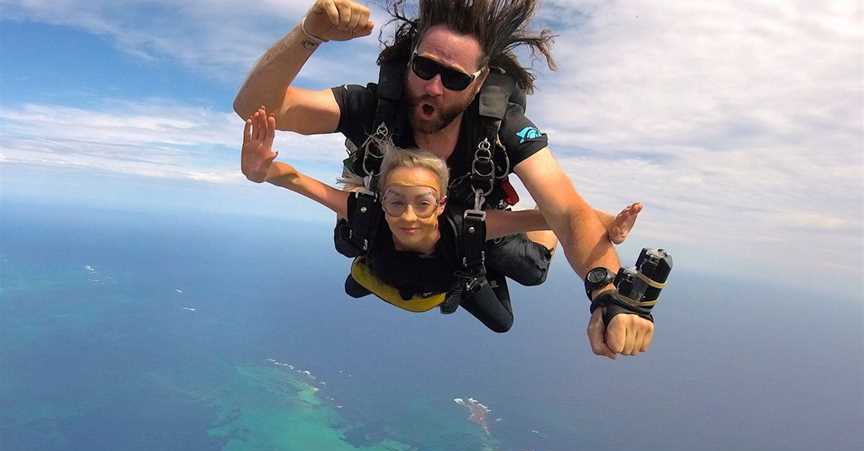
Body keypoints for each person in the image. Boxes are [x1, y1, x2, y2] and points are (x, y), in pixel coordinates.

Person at [233, 0, 653, 358]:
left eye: (453, 77)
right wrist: (310, 33)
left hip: (471, 222)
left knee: (528, 268)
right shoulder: (374, 107)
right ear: (410, 58)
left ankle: (464, 275)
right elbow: (256, 106)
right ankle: (386, 268)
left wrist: (607, 292)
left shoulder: (501, 129)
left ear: (479, 83)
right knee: (353, 236)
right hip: (395, 215)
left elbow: (564, 210)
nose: (433, 87)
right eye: (425, 67)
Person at [242, 107, 639, 334]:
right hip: (388, 267)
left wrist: (604, 225)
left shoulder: (467, 226)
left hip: (454, 274)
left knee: (522, 287)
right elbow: (299, 182)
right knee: (350, 258)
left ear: (441, 203)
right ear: (381, 199)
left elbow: (553, 216)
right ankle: (391, 273)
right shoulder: (368, 214)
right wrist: (262, 171)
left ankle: (469, 278)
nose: (408, 217)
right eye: (395, 203)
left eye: (422, 203)